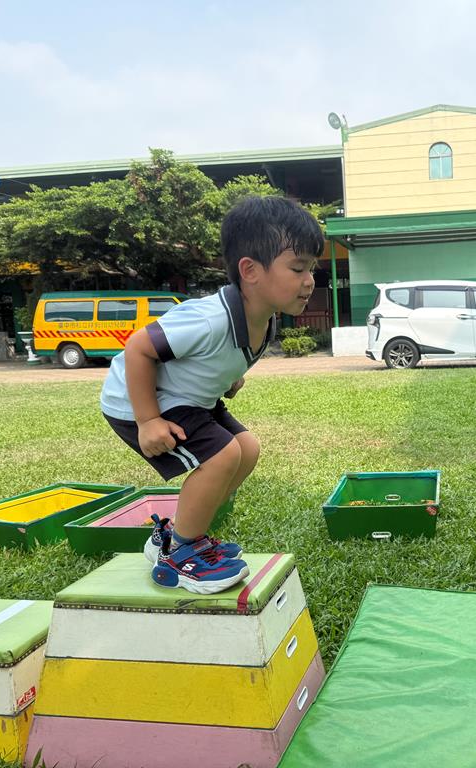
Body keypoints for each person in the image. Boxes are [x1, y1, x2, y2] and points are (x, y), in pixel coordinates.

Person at [100, 196, 323, 594]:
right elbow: (138, 348)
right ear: (250, 271)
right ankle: (179, 555)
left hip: (191, 398)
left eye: (312, 269)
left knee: (247, 449)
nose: (309, 281)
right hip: (141, 399)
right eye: (297, 268)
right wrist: (148, 420)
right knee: (222, 456)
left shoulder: (264, 319)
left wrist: (229, 380)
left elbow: (218, 359)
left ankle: (177, 535)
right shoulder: (210, 318)